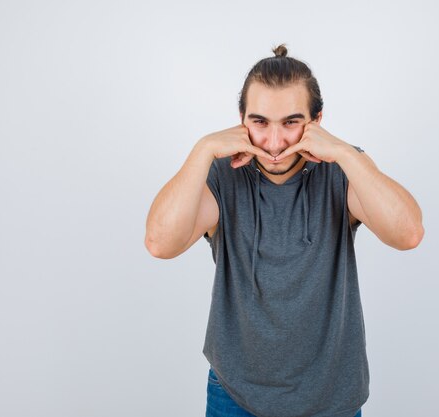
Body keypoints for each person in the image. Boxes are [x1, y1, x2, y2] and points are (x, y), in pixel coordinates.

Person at [145, 44, 424, 417]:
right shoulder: (220, 174)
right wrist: (203, 149)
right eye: (259, 122)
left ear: (316, 121)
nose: (274, 144)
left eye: (291, 122)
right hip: (235, 395)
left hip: (332, 399)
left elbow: (408, 234)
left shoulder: (344, 169)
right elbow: (160, 243)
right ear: (241, 120)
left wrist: (343, 152)